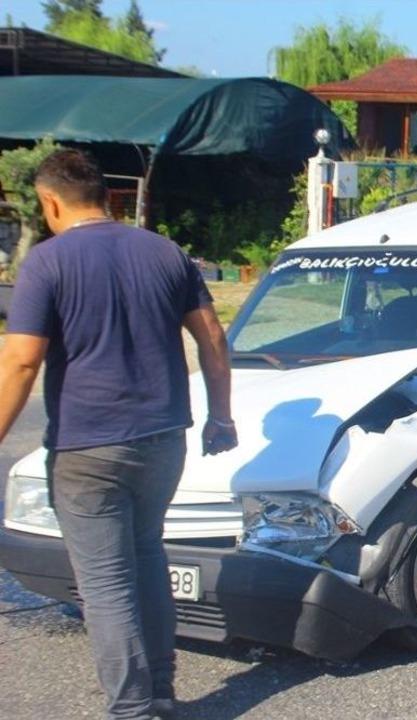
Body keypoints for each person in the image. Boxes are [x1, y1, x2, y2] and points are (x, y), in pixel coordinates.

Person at [0, 149, 236, 719]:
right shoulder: (165, 252)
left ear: (50, 202)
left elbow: (21, 361)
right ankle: (160, 691)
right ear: (107, 196)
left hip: (88, 447)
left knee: (106, 584)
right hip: (164, 437)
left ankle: (133, 709)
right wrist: (221, 417)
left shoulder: (47, 262)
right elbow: (212, 337)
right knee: (148, 555)